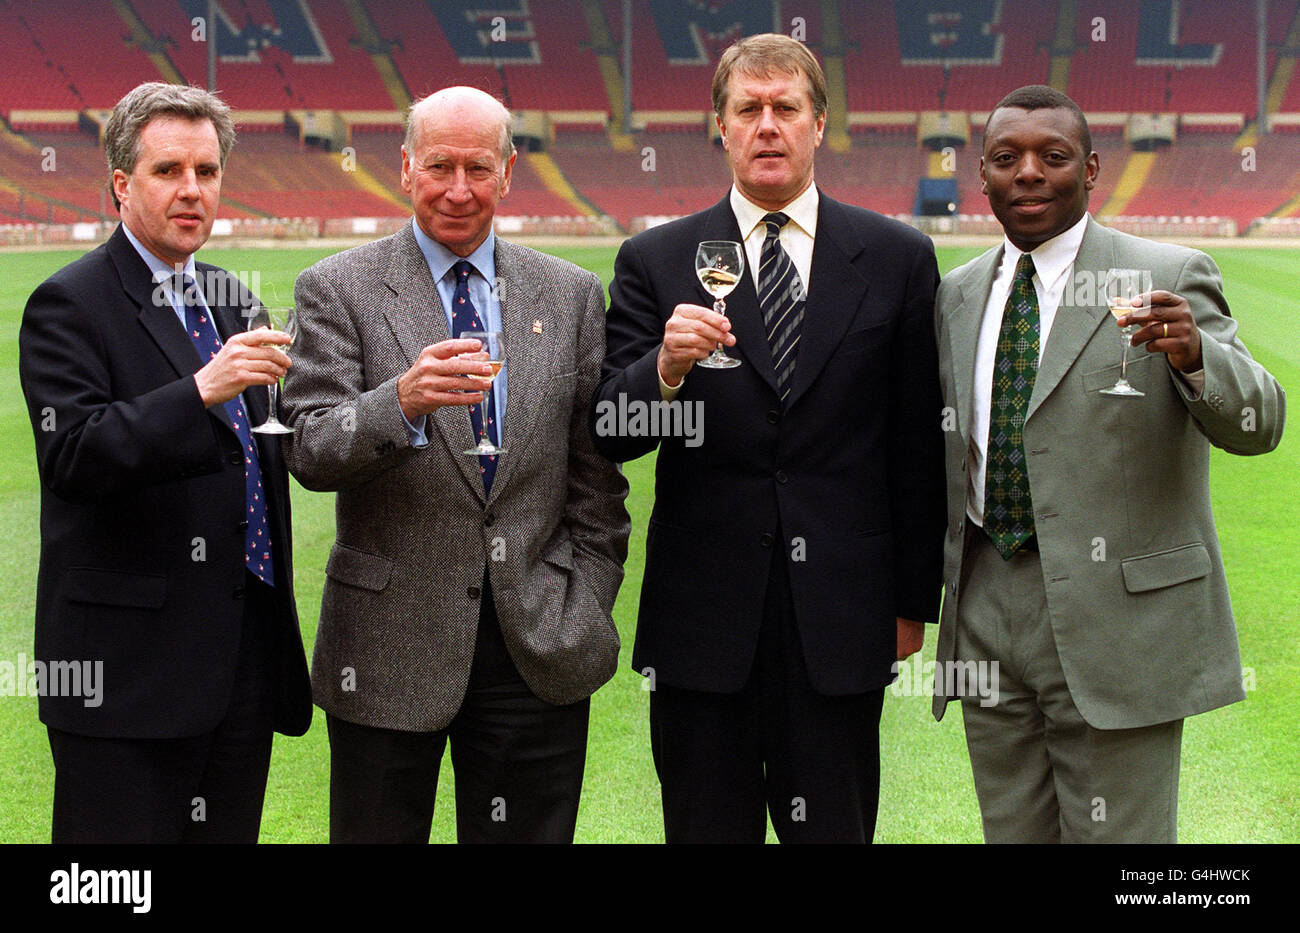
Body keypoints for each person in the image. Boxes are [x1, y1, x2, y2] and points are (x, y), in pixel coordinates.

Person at [592, 34, 946, 843]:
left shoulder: (896, 257)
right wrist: (666, 372)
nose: (767, 126)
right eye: (747, 109)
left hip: (843, 613)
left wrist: (909, 600)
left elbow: (916, 446)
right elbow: (612, 430)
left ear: (819, 124)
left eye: (786, 108)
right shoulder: (657, 258)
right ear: (720, 126)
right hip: (702, 618)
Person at [931, 85, 1286, 842]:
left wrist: (1197, 356)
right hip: (988, 613)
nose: (1029, 172)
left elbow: (1261, 422)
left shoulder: (1167, 273)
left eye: (1052, 157)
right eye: (1006, 158)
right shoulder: (957, 295)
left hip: (1119, 621)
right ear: (982, 175)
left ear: (1090, 170)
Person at [280, 86, 630, 844]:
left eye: (479, 167)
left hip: (538, 641)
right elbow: (308, 447)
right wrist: (397, 402)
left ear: (508, 174)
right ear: (405, 169)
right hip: (385, 647)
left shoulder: (571, 294)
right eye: (440, 165)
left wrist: (588, 598)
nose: (459, 189)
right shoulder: (335, 287)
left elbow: (596, 476)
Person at [18, 82, 312, 843]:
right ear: (121, 185)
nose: (192, 191)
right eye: (168, 171)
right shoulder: (69, 303)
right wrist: (200, 390)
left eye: (207, 173)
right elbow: (75, 453)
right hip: (126, 677)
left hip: (240, 661)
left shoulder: (230, 300)